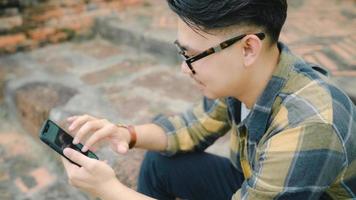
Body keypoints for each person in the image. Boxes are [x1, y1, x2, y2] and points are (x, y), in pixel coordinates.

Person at [61, 0, 356, 199]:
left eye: (191, 56)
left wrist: (110, 190)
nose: (183, 68)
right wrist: (124, 133)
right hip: (254, 179)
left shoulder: (311, 123)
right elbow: (191, 128)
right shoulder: (247, 78)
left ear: (248, 48)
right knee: (158, 164)